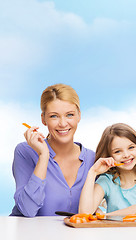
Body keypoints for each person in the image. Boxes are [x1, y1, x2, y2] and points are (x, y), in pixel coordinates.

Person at [10, 84, 95, 217]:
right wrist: (44, 156)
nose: (62, 123)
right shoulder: (25, 151)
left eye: (70, 115)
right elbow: (28, 210)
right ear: (43, 119)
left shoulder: (93, 159)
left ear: (79, 115)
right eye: (54, 116)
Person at [79, 123, 136, 216]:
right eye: (117, 151)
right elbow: (84, 213)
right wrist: (92, 172)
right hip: (115, 230)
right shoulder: (107, 180)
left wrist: (105, 216)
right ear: (109, 155)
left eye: (131, 147)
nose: (126, 155)